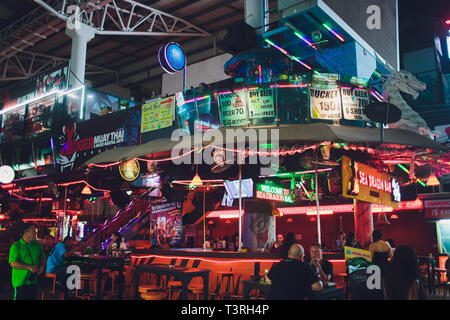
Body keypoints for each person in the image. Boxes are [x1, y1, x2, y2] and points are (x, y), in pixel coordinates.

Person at [8, 223, 46, 300]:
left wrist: (42, 267)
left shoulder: (37, 245)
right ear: (26, 232)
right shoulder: (16, 246)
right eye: (33, 231)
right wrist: (29, 267)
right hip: (20, 281)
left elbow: (43, 259)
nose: (35, 233)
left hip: (33, 280)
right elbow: (13, 263)